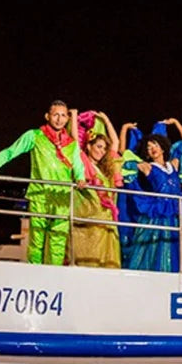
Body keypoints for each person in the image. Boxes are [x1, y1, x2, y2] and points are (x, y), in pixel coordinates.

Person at [0, 100, 86, 265]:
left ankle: (54, 281)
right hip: (40, 196)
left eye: (63, 115)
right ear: (47, 116)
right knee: (36, 243)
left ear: (67, 119)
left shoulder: (71, 144)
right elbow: (10, 152)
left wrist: (81, 178)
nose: (59, 119)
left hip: (62, 199)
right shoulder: (35, 136)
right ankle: (34, 277)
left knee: (58, 244)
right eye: (55, 115)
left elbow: (78, 164)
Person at [123, 119, 182, 272]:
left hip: (173, 212)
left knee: (172, 247)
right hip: (157, 214)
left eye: (154, 144)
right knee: (155, 250)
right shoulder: (147, 167)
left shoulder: (173, 164)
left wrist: (176, 123)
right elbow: (123, 158)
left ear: (162, 147)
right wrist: (124, 130)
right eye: (148, 147)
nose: (152, 148)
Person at [71, 111, 122, 268]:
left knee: (106, 258)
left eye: (104, 148)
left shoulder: (104, 169)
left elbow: (116, 144)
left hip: (105, 220)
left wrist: (106, 119)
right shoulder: (83, 161)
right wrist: (74, 116)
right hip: (89, 219)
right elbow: (74, 141)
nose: (102, 151)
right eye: (98, 147)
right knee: (88, 258)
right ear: (88, 146)